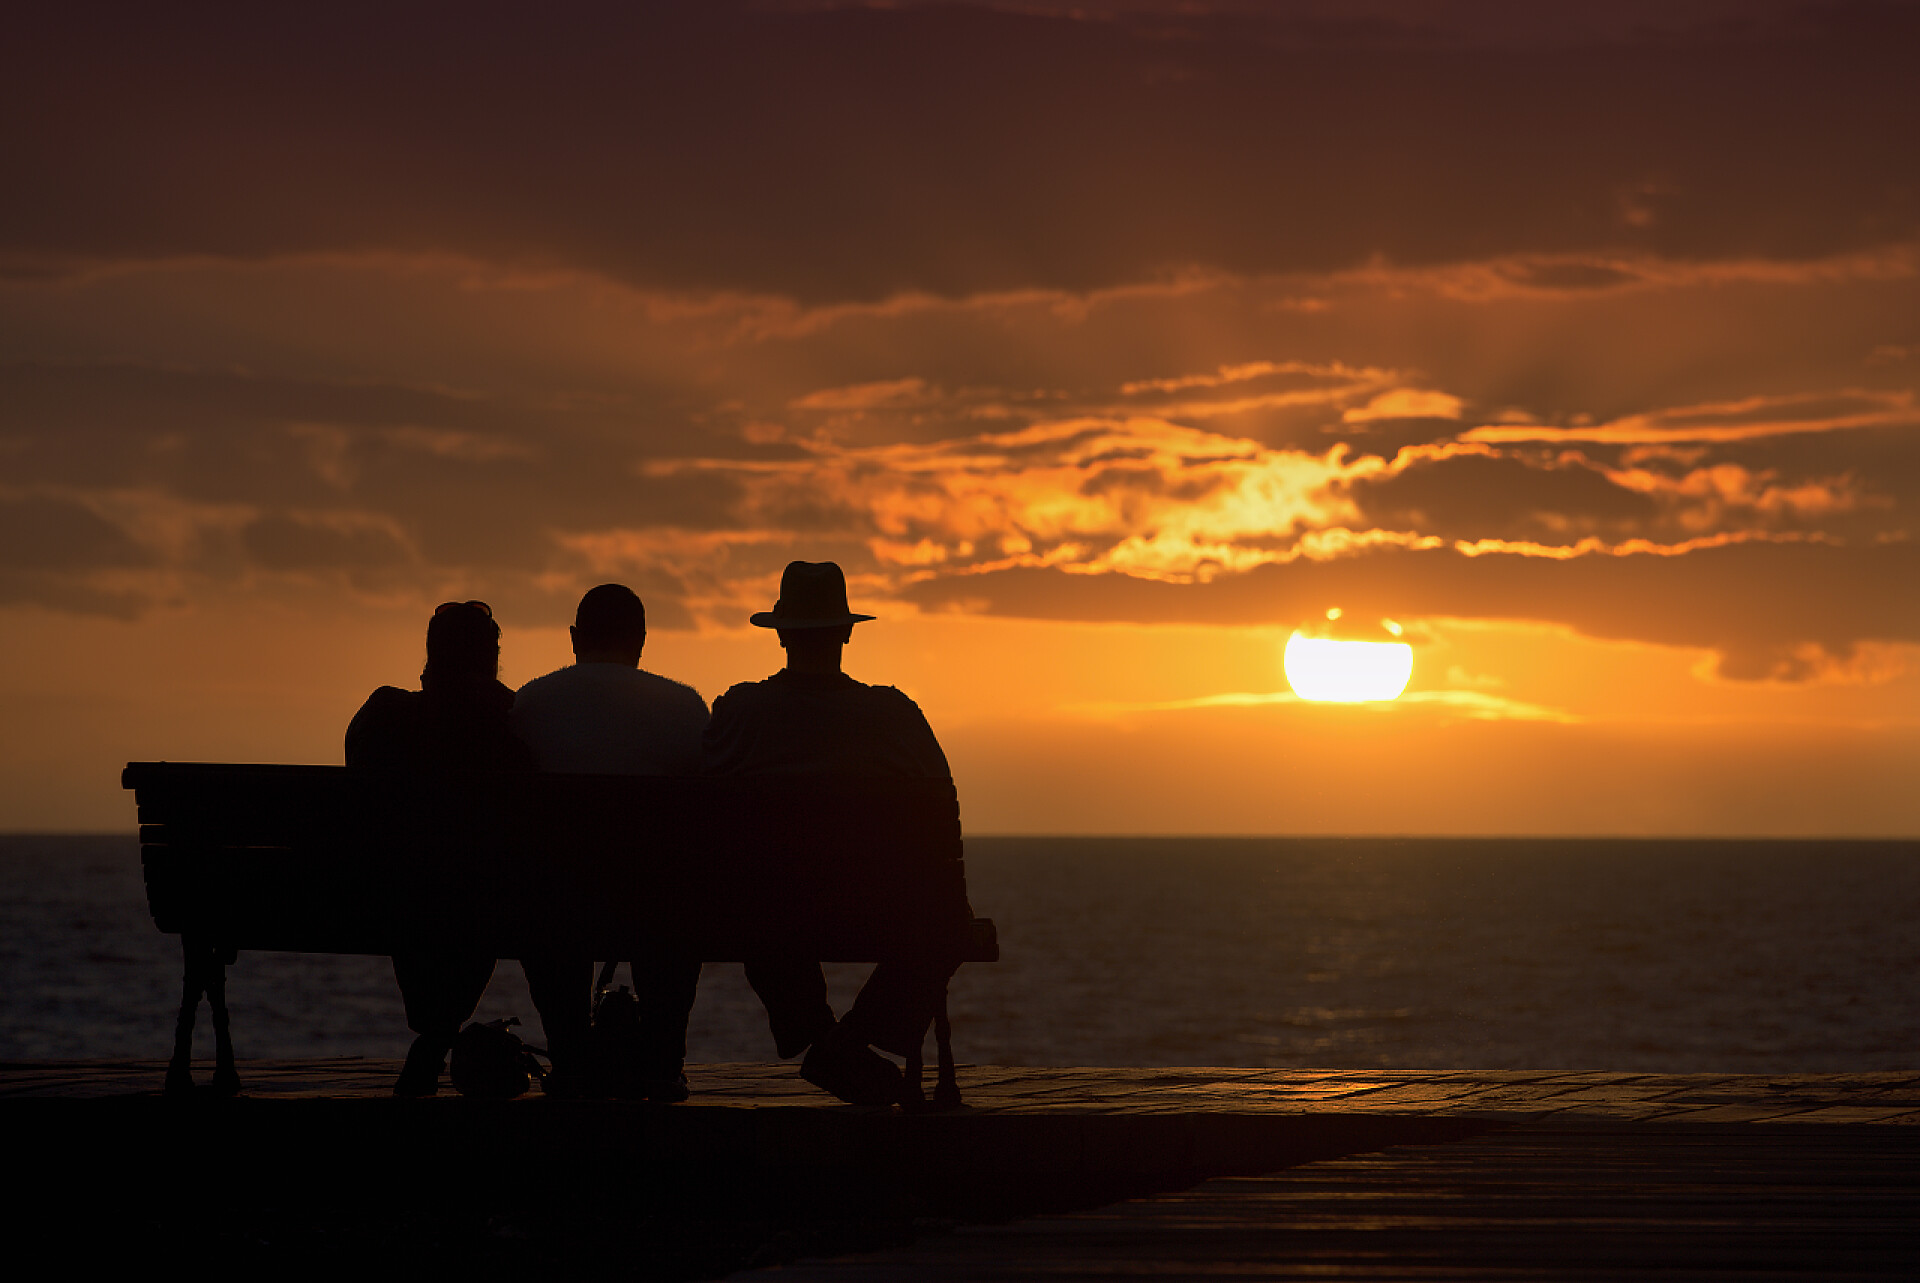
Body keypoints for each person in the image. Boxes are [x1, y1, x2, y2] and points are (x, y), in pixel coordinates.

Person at [704, 560, 958, 1105]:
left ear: (781, 634)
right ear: (846, 631)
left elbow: (703, 803)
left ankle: (823, 1038)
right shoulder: (895, 715)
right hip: (875, 906)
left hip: (771, 913)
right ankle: (849, 1041)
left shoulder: (738, 712)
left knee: (759, 895)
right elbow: (941, 807)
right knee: (946, 926)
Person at [345, 600, 585, 1097]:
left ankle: (435, 1034)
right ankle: (568, 1054)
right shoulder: (505, 736)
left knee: (450, 889)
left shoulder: (382, 721)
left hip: (385, 900)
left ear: (431, 656)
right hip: (483, 903)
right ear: (490, 660)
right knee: (517, 895)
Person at [510, 583, 709, 1099]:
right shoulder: (685, 708)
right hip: (657, 911)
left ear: (575, 638)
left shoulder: (530, 704)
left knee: (549, 891)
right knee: (674, 892)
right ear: (641, 641)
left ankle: (571, 1053)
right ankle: (664, 1058)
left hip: (557, 908)